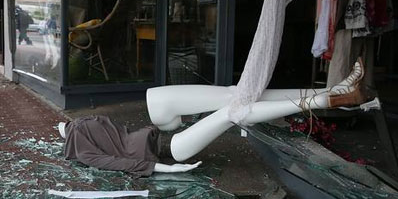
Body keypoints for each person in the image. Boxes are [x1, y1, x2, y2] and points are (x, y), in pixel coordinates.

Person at [146, 58, 376, 161]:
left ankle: (332, 93)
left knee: (236, 94)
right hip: (159, 150)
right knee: (234, 109)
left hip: (153, 122)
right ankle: (325, 98)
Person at [58, 116, 201, 177]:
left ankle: (222, 116)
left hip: (142, 151)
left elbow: (122, 163)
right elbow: (119, 131)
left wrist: (168, 169)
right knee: (181, 144)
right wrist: (168, 168)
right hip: (145, 135)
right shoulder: (87, 119)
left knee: (181, 146)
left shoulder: (85, 154)